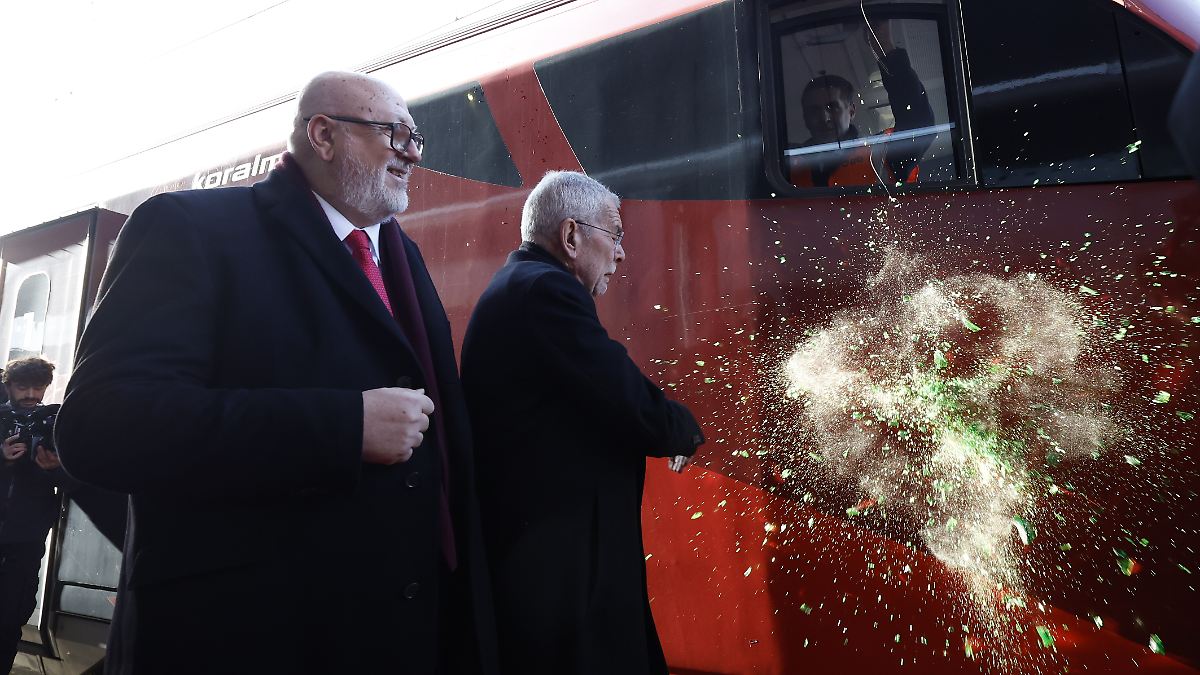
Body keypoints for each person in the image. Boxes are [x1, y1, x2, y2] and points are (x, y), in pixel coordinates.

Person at [55, 71, 497, 675]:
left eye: (416, 139)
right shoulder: (189, 228)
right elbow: (101, 424)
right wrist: (342, 426)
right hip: (247, 634)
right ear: (323, 134)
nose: (412, 154)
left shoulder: (401, 256)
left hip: (389, 632)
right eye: (394, 134)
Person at [460, 171, 705, 675]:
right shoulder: (544, 291)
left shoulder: (522, 286)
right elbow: (619, 389)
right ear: (571, 237)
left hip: (552, 565)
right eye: (614, 237)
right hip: (557, 578)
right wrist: (680, 427)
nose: (620, 254)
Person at [788, 20, 935, 188]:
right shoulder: (786, 165)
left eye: (832, 107)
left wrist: (885, 47)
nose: (824, 117)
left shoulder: (882, 152)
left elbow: (919, 121)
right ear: (805, 117)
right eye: (814, 110)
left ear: (851, 111)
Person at [0, 356, 76, 673]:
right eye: (23, 386)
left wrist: (56, 470)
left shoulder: (56, 422)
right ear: (8, 385)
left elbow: (81, 477)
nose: (31, 393)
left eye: (38, 386)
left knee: (10, 615)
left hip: (26, 537)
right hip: (23, 531)